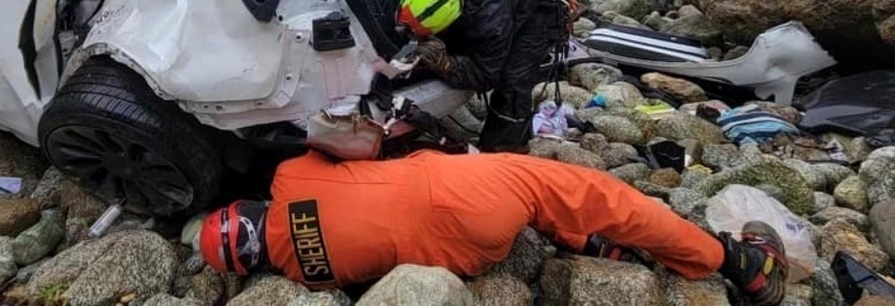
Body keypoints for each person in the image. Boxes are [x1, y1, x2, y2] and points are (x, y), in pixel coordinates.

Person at [198, 149, 788, 306]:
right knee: (596, 193)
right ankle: (737, 264)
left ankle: (593, 247)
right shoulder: (290, 178)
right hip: (464, 193)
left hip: (473, 256)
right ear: (247, 209)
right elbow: (359, 143)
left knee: (536, 212)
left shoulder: (310, 275)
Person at [391, 0, 567, 152]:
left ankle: (503, 148)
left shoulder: (491, 21)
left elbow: (485, 75)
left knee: (513, 81)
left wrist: (445, 64)